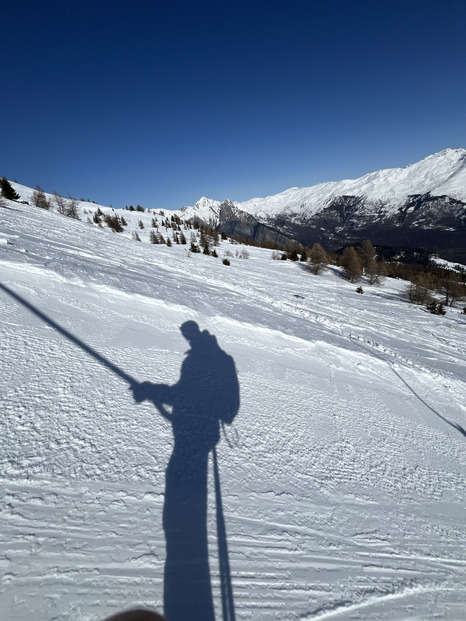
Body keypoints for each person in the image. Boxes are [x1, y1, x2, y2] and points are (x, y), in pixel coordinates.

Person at [131, 321, 239, 621]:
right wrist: (154, 392)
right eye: (186, 335)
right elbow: (186, 395)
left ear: (195, 336)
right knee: (183, 480)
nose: (188, 339)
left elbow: (197, 398)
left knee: (181, 485)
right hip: (191, 431)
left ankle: (187, 542)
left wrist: (152, 392)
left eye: (189, 335)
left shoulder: (205, 360)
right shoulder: (211, 358)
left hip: (196, 434)